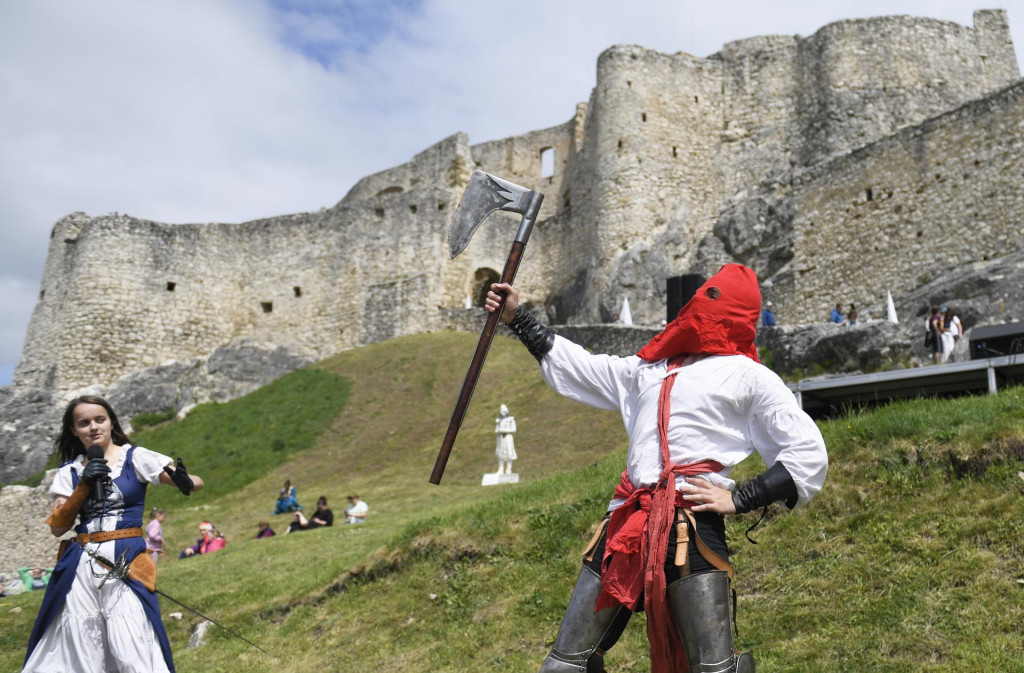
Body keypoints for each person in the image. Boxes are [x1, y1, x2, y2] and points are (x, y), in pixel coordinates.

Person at [485, 264, 828, 673]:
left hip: (690, 528)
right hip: (626, 525)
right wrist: (516, 318)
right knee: (564, 667)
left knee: (715, 671)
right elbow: (582, 367)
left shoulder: (752, 377)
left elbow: (807, 454)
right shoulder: (647, 370)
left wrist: (740, 498)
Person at [24, 395, 203, 673]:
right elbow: (57, 527)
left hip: (125, 558)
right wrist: (83, 486)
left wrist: (184, 481)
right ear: (74, 430)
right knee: (81, 642)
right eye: (84, 423)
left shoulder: (136, 456)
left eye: (99, 419)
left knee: (130, 643)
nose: (93, 427)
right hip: (82, 561)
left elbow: (195, 483)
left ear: (111, 422)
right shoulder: (69, 472)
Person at [495, 404, 518, 475]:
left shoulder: (511, 420)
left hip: (508, 437)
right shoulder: (499, 421)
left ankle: (509, 469)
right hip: (501, 438)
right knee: (500, 453)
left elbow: (514, 429)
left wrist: (505, 430)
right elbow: (496, 430)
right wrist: (500, 431)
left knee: (509, 452)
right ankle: (501, 469)